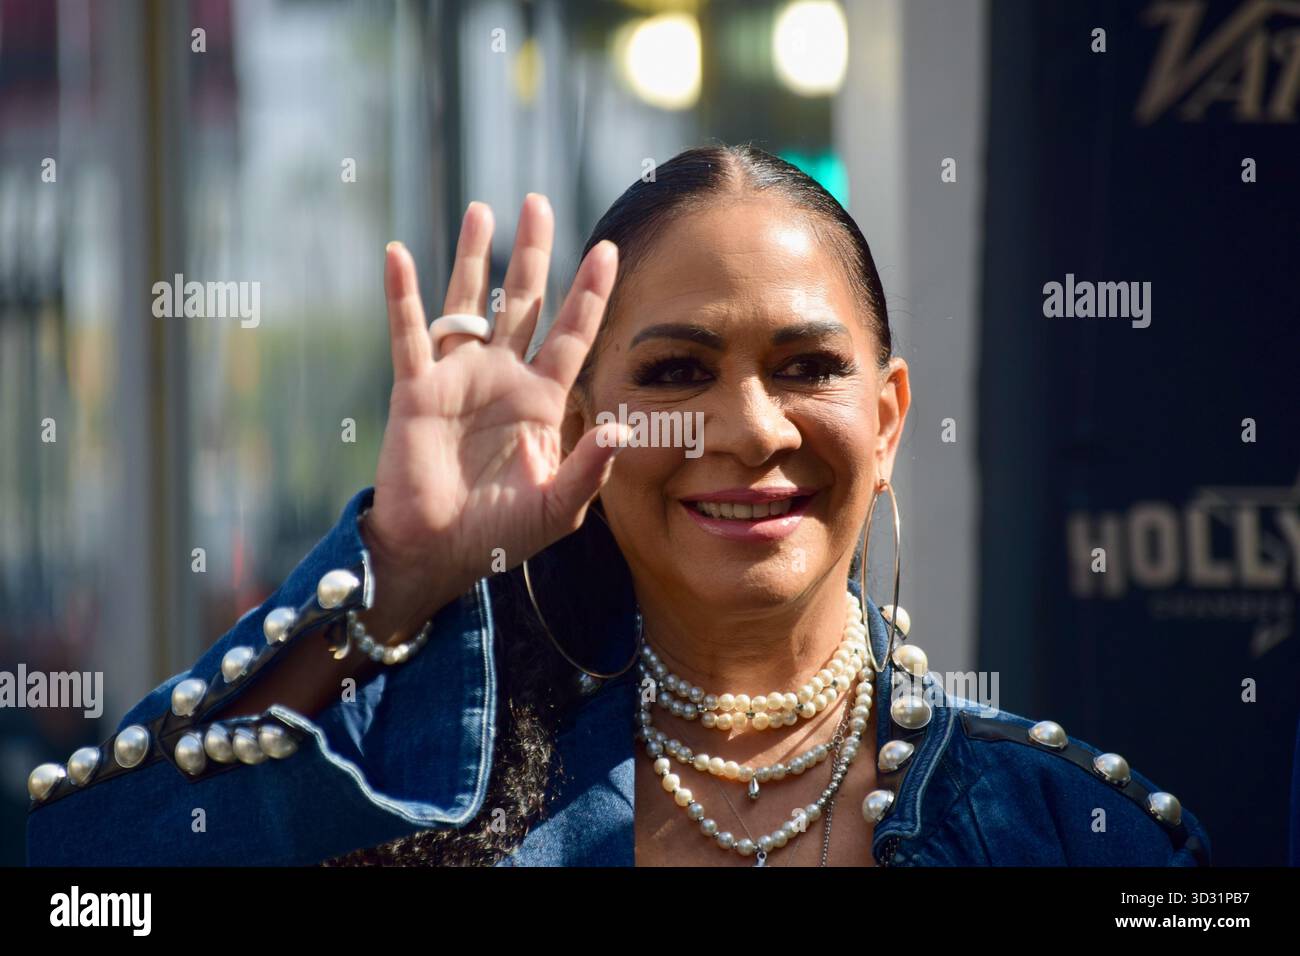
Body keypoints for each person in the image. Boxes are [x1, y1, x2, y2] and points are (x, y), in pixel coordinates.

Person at [25, 144, 1210, 867]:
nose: (750, 429)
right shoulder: (433, 812)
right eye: (676, 371)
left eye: (805, 366)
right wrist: (397, 573)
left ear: (889, 417)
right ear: (584, 424)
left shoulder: (1067, 830)